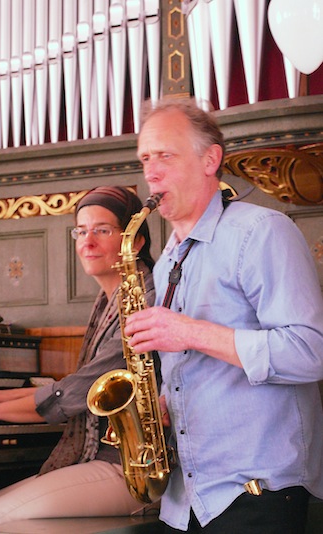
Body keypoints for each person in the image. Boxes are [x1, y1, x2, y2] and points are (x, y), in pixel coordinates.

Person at [124, 97, 323, 534]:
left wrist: (191, 332)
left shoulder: (261, 232)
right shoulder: (167, 260)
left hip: (258, 493)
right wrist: (164, 402)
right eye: (145, 159)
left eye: (165, 156)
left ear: (210, 158)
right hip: (188, 498)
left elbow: (310, 353)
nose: (151, 173)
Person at [0, 186, 157, 529]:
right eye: (81, 231)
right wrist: (9, 396)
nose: (88, 241)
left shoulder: (141, 301)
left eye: (102, 230)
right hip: (103, 457)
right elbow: (75, 385)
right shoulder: (108, 299)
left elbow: (76, 393)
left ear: (135, 242)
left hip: (129, 465)